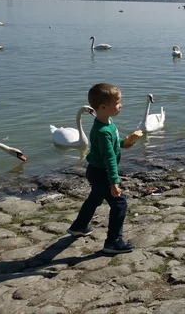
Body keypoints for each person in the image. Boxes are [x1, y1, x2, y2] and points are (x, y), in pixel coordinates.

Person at [68, 83, 141, 254]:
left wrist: (124, 143)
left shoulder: (108, 123)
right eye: (117, 103)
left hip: (96, 170)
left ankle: (79, 226)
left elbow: (112, 146)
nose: (120, 105)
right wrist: (114, 182)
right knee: (120, 204)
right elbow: (109, 158)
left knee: (95, 198)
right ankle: (113, 242)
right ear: (103, 107)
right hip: (102, 173)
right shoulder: (101, 131)